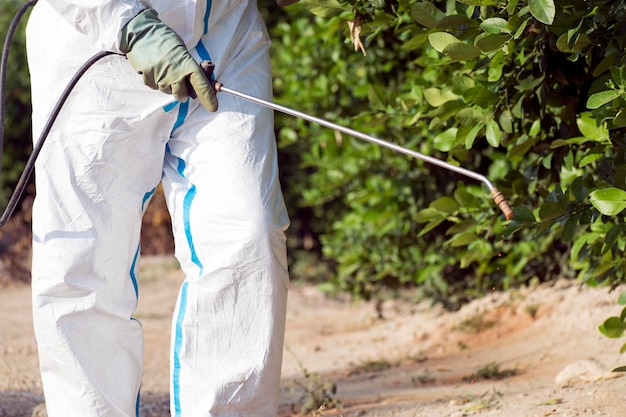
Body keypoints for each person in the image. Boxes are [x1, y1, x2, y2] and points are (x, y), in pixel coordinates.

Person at [25, 1, 292, 415]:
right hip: (97, 51)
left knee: (248, 232)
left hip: (224, 39)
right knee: (85, 261)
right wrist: (129, 24)